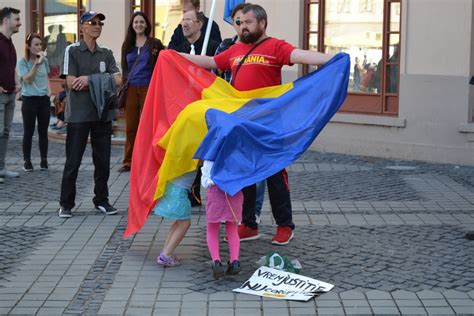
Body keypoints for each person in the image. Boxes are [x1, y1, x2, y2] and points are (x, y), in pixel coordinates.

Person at [180, 3, 334, 245]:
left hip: (271, 124)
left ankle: (285, 226)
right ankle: (249, 224)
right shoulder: (235, 49)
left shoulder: (275, 46)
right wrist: (176, 56)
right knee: (245, 173)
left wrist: (332, 59)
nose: (243, 27)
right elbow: (211, 61)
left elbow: (300, 55)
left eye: (248, 22)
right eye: (240, 23)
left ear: (262, 23)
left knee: (274, 173)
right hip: (243, 122)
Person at [58, 11, 122, 218]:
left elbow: (119, 79)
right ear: (82, 27)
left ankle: (101, 200)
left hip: (102, 113)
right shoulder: (72, 50)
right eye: (92, 23)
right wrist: (102, 80)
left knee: (102, 160)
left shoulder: (106, 52)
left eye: (100, 23)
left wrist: (88, 80)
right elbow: (71, 82)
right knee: (73, 160)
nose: (97, 26)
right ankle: (66, 203)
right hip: (78, 115)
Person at [118, 12, 165, 173]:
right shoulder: (127, 45)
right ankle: (128, 161)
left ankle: (149, 160)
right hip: (131, 89)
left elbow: (163, 62)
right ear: (132, 25)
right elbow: (125, 68)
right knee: (131, 126)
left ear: (146, 25)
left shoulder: (154, 44)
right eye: (136, 22)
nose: (139, 24)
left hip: (148, 88)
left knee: (148, 126)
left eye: (141, 22)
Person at [201, 160, 243, 279]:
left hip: (215, 193)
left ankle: (216, 262)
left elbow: (205, 181)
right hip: (234, 192)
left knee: (212, 229)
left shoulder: (210, 157)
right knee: (232, 229)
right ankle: (234, 261)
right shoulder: (237, 155)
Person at [17, 33, 51, 172]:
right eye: (35, 44)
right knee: (28, 131)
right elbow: (28, 79)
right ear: (29, 47)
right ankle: (27, 161)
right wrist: (36, 64)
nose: (38, 47)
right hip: (29, 100)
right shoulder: (22, 62)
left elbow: (47, 77)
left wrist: (49, 92)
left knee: (43, 131)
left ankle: (44, 160)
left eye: (40, 44)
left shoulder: (45, 60)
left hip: (43, 100)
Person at [154, 170, 197, 267]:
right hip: (179, 191)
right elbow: (201, 161)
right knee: (185, 223)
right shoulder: (191, 154)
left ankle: (166, 251)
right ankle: (166, 255)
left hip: (173, 186)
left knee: (179, 222)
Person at [0, 7, 21, 182]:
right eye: (16, 19)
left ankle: (1, 167)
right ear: (6, 21)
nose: (19, 22)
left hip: (10, 94)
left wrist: (17, 81)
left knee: (5, 132)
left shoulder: (10, 43)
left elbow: (11, 66)